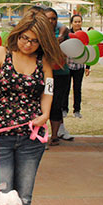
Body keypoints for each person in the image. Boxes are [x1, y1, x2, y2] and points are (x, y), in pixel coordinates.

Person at [0, 9, 63, 205]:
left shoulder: (42, 61)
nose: (28, 44)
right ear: (17, 33)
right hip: (0, 137)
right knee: (1, 194)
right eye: (24, 38)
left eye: (35, 41)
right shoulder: (0, 54)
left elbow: (48, 90)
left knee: (24, 196)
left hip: (31, 139)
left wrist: (45, 114)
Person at [44, 8, 73, 146]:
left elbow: (67, 53)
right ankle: (40, 136)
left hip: (60, 75)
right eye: (48, 18)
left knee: (56, 105)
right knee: (42, 105)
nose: (51, 21)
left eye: (54, 18)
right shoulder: (39, 34)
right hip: (44, 76)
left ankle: (54, 136)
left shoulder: (63, 34)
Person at [64, 14, 90, 119]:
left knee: (77, 88)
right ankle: (64, 109)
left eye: (79, 21)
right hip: (67, 65)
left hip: (79, 66)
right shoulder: (67, 34)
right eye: (75, 21)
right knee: (66, 88)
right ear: (71, 23)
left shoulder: (85, 35)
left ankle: (77, 110)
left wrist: (88, 66)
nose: (77, 23)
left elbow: (89, 51)